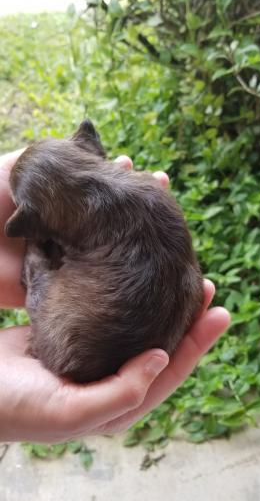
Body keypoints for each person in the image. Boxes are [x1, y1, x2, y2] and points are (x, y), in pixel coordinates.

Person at [0, 149, 230, 443]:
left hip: (76, 347)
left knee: (39, 268)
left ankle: (38, 266)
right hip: (150, 330)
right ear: (91, 149)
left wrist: (35, 251)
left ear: (32, 221)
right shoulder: (148, 189)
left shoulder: (76, 227)